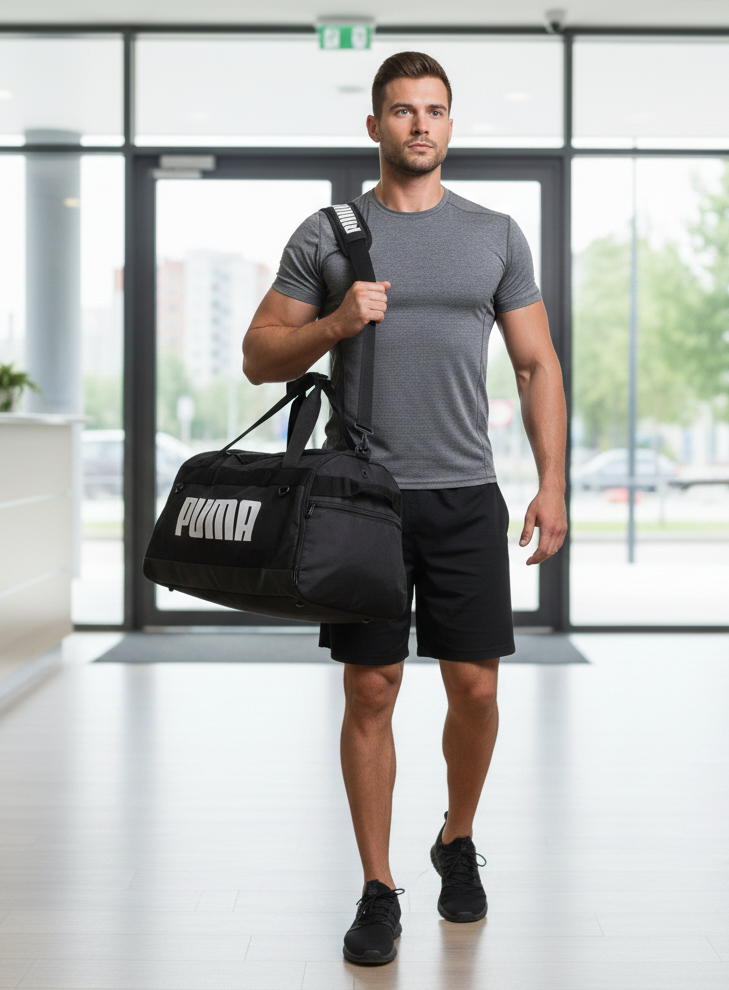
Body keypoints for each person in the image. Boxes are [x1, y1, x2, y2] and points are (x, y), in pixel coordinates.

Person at [242, 51, 567, 966]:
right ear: (375, 126)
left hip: (465, 494)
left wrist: (552, 481)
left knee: (477, 687)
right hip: (364, 500)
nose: (420, 124)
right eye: (402, 110)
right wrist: (336, 324)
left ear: (451, 124)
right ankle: (378, 886)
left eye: (434, 109)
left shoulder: (495, 235)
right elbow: (259, 355)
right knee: (372, 688)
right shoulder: (330, 233)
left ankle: (456, 837)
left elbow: (536, 364)